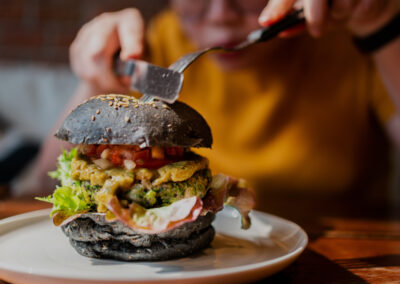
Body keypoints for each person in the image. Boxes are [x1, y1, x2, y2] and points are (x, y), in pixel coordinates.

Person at [28, 0, 400, 201]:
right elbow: (39, 190)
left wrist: (381, 26)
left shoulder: (353, 42)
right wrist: (95, 78)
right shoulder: (153, 46)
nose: (221, 15)